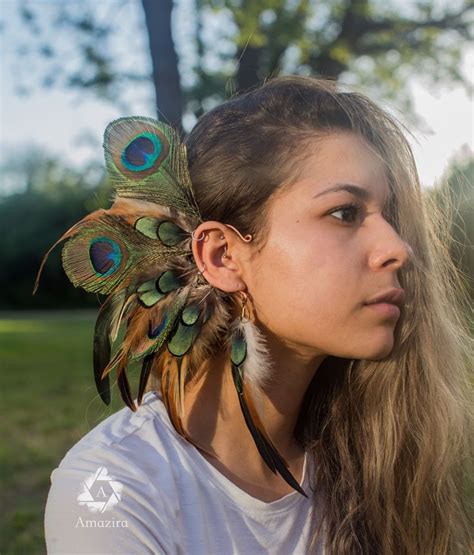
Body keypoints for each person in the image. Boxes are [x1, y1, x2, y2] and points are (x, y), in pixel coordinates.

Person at [42, 76, 472, 554]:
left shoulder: (376, 455)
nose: (398, 248)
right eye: (345, 213)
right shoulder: (116, 494)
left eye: (388, 216)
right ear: (223, 255)